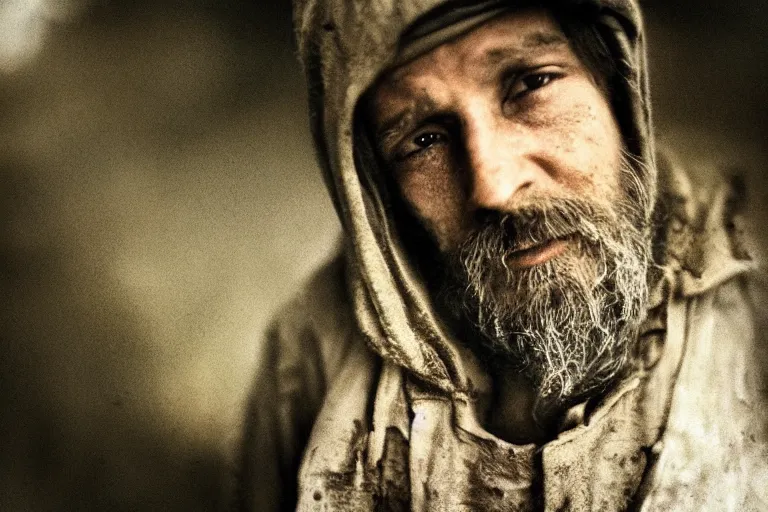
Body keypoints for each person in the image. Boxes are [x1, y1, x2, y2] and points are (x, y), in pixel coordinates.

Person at [236, 0, 768, 510]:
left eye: (531, 84)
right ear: (374, 189)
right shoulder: (309, 358)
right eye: (424, 140)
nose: (494, 186)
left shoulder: (755, 301)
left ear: (616, 83)